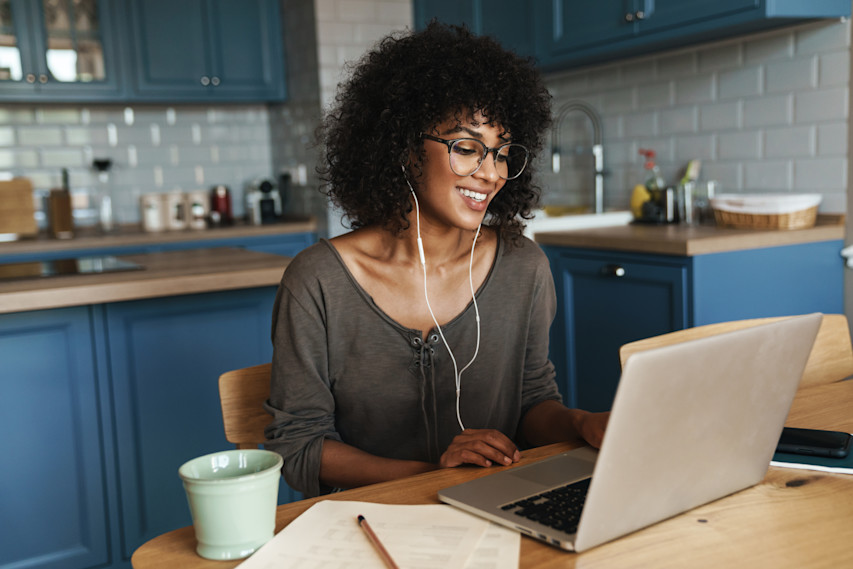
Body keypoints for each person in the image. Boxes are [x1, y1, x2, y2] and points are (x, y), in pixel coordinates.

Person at [264, 22, 609, 498]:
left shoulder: (522, 266)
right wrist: (434, 475)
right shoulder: (318, 280)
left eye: (503, 152)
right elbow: (300, 447)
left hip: (495, 509)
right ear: (404, 149)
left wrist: (583, 423)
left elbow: (533, 403)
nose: (490, 174)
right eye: (467, 148)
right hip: (366, 522)